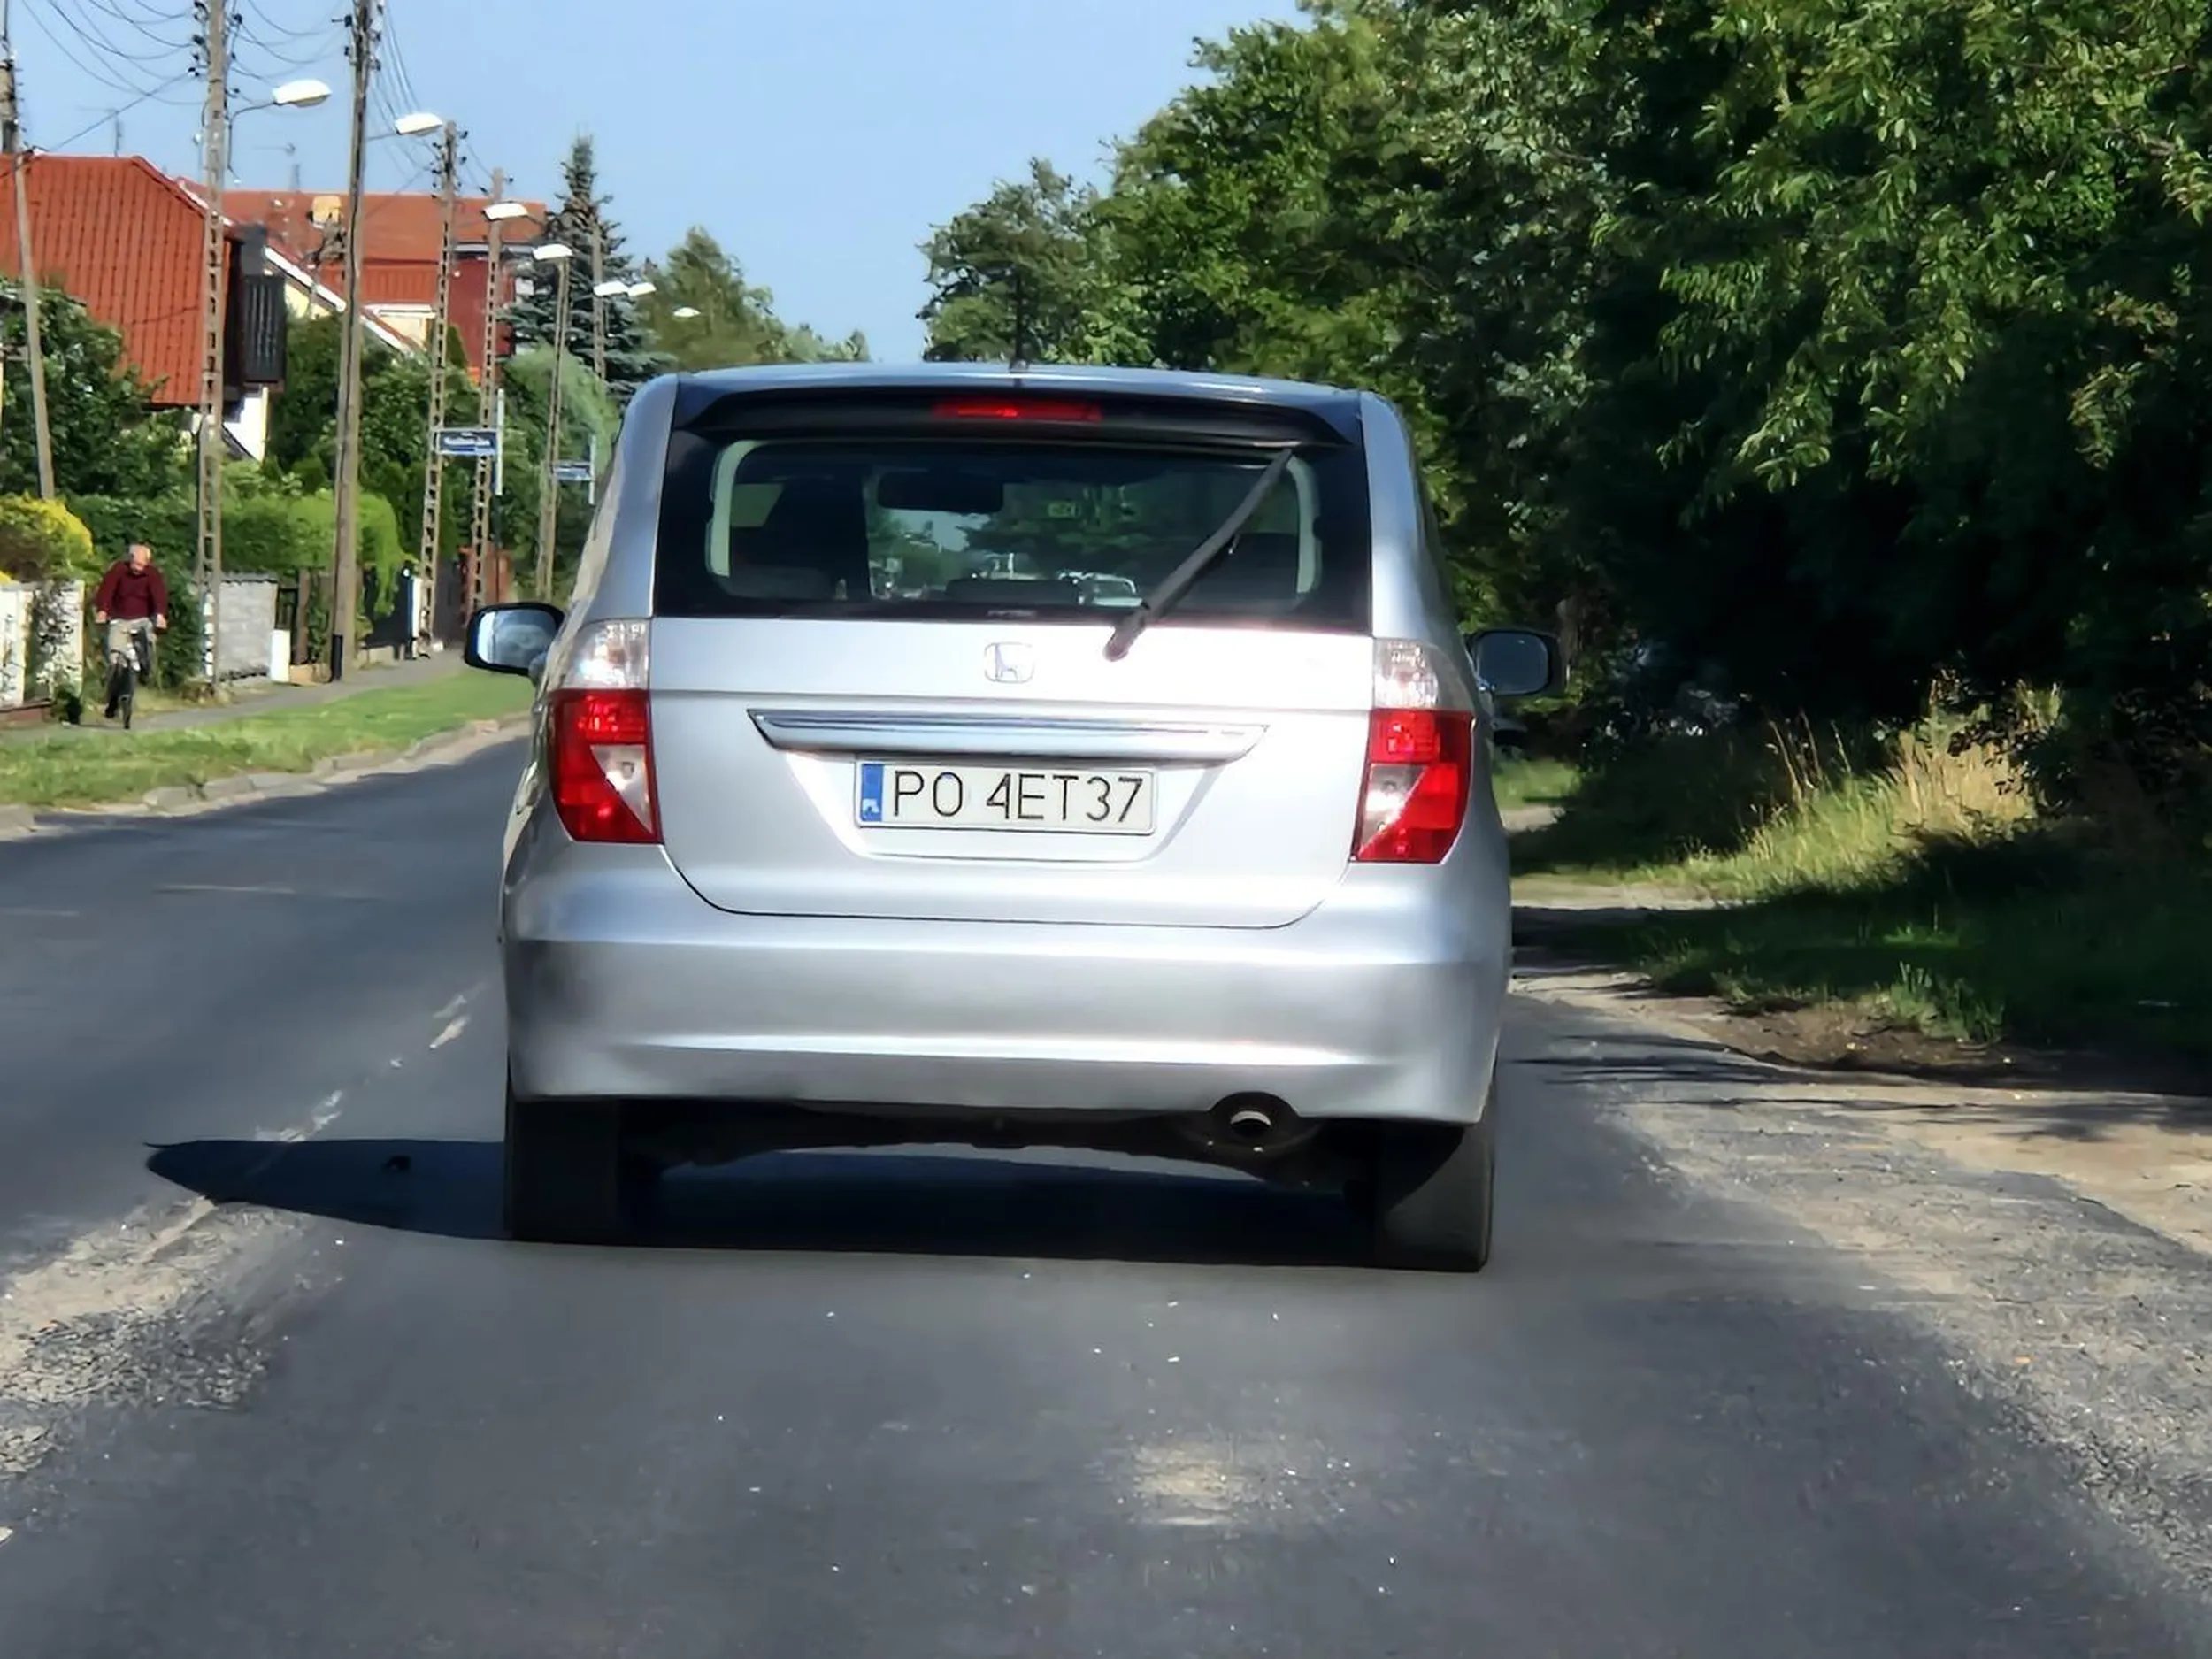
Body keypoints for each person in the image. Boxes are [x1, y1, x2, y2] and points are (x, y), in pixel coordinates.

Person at [93, 542, 169, 718]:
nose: (138, 569)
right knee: (115, 660)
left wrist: (160, 615)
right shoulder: (118, 570)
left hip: (142, 621)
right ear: (130, 560)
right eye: (135, 564)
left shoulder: (152, 575)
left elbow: (159, 596)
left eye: (142, 565)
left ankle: (145, 668)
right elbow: (106, 591)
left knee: (148, 641)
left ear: (147, 563)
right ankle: (113, 700)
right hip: (119, 620)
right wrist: (103, 611)